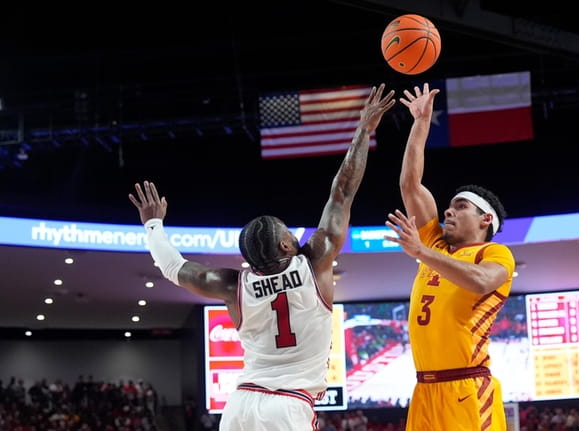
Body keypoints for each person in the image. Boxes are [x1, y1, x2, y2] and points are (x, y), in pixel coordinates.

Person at [128, 83, 395, 431]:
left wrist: (153, 225)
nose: (293, 235)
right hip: (288, 406)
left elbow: (174, 267)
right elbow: (342, 191)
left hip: (239, 405)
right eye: (288, 233)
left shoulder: (231, 284)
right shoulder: (314, 262)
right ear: (285, 247)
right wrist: (363, 130)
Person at [384, 83, 515, 431]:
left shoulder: (494, 252)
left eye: (462, 206)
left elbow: (481, 280)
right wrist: (421, 122)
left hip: (467, 387)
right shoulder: (438, 245)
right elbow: (410, 185)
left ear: (486, 219)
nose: (449, 211)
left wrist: (421, 252)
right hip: (424, 389)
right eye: (450, 206)